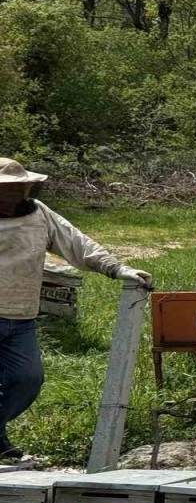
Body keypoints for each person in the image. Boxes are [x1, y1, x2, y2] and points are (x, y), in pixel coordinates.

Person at [0, 158, 151, 460]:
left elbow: (77, 243)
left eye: (21, 185)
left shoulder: (40, 214)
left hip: (21, 317)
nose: (17, 192)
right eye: (9, 187)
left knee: (27, 380)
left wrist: (117, 268)